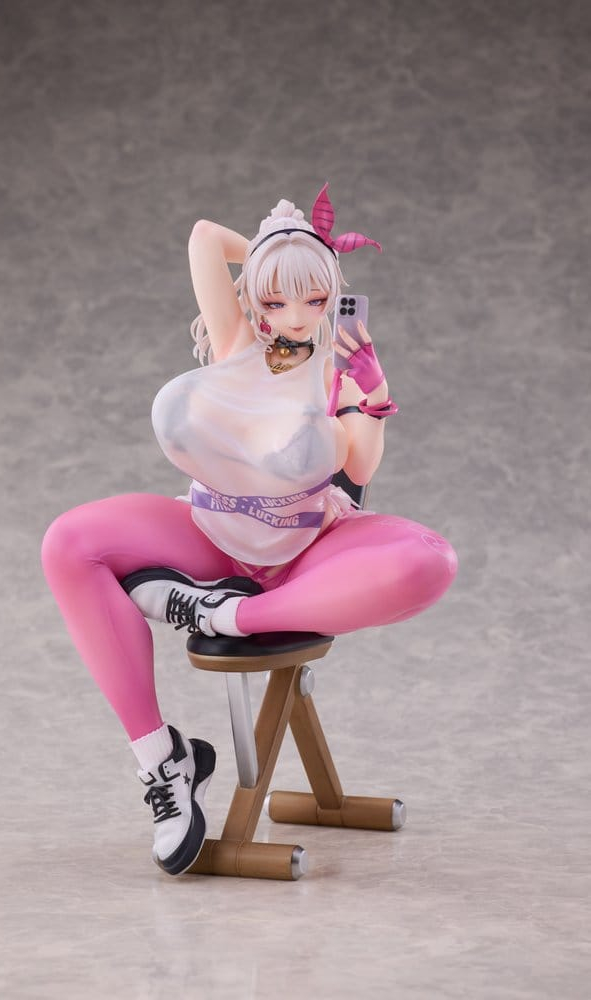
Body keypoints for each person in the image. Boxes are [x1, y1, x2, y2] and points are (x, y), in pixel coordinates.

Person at [41, 184, 457, 877]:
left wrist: (372, 391)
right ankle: (164, 762)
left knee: (427, 562)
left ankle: (228, 614)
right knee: (68, 544)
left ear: (333, 296)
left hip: (304, 555)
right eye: (275, 299)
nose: (294, 316)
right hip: (212, 533)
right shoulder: (235, 339)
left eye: (314, 299)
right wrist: (283, 246)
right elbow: (206, 236)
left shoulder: (339, 370)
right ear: (254, 296)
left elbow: (359, 467)